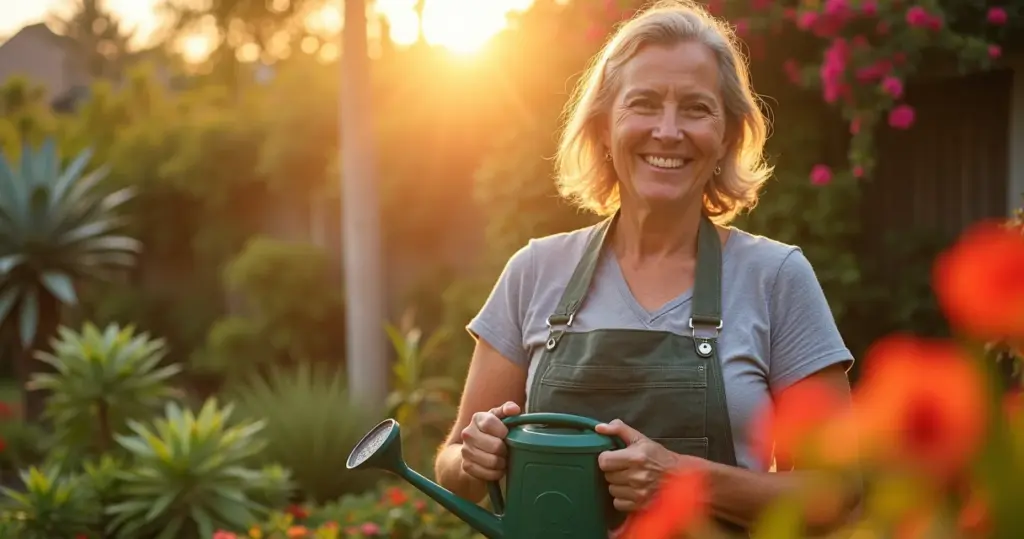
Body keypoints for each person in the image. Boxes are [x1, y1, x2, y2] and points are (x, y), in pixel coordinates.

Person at [434, 0, 859, 534]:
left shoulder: (775, 278)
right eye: (644, 103)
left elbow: (838, 494)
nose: (668, 130)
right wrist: (474, 455)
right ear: (603, 127)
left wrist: (683, 479)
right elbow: (454, 468)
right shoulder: (535, 271)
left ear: (727, 136)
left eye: (696, 108)